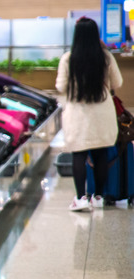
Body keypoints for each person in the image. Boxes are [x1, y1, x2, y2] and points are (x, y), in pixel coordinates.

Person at [55, 17, 123, 211]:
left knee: (79, 154)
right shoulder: (106, 57)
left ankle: (80, 198)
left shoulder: (68, 58)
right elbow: (117, 83)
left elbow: (60, 86)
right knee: (101, 154)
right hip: (103, 113)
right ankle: (99, 197)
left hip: (78, 114)